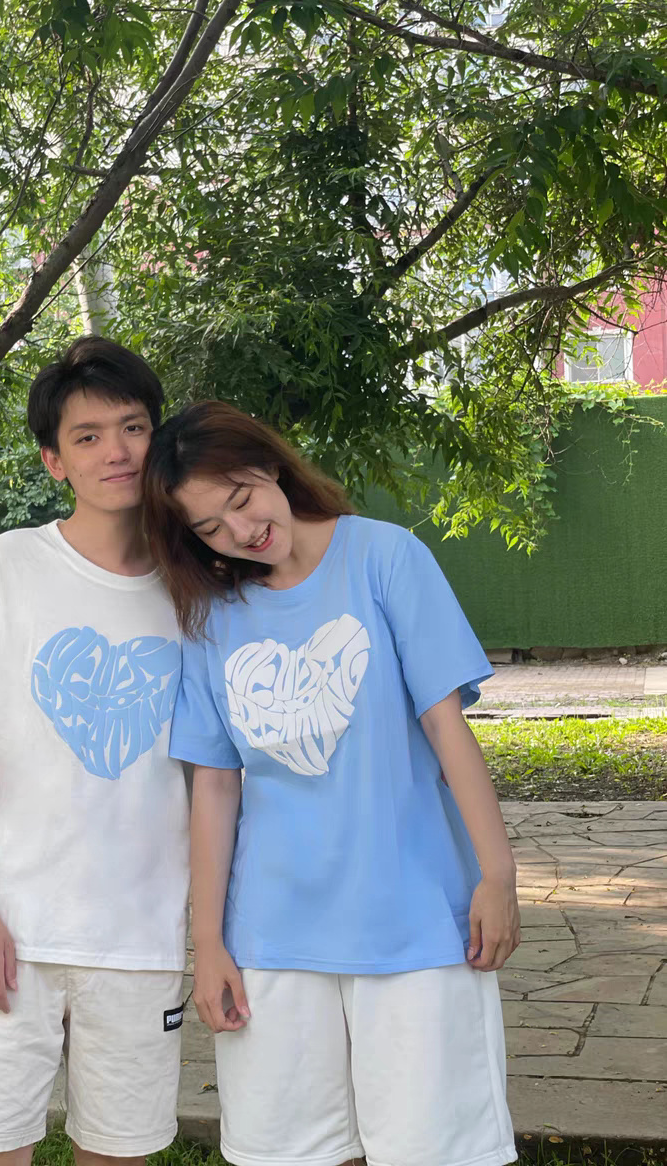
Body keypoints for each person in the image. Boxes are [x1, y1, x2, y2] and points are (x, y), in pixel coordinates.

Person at [142, 399, 520, 1166]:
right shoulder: (212, 617)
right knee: (289, 1153)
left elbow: (446, 727)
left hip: (413, 917)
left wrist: (497, 874)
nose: (240, 530)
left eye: (241, 498)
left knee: (433, 1152)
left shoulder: (386, 558)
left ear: (269, 465)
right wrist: (208, 943)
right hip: (272, 934)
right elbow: (215, 786)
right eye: (210, 527)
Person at [0, 337, 190, 1166]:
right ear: (54, 461)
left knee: (121, 1153)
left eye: (133, 427)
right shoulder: (2, 569)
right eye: (88, 436)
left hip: (139, 938)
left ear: (158, 436)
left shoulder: (195, 587)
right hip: (7, 931)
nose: (116, 451)